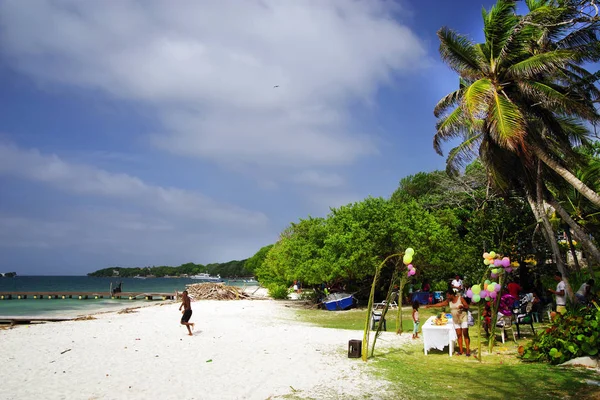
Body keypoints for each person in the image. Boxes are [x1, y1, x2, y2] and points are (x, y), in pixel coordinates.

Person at [427, 290, 471, 356]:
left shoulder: (460, 298)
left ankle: (467, 351)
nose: (447, 297)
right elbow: (441, 304)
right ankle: (461, 351)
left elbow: (467, 306)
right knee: (459, 335)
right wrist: (431, 306)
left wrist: (462, 307)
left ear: (451, 295)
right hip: (455, 319)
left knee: (465, 333)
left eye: (448, 295)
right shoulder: (449, 301)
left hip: (463, 318)